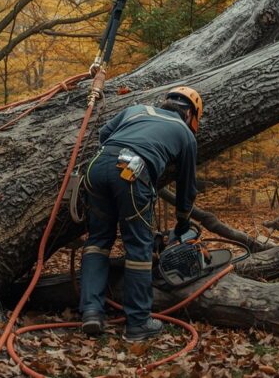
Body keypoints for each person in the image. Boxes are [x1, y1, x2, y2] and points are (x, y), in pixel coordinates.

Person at [79, 86, 202, 342]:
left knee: (97, 242)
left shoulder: (136, 109)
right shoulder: (186, 134)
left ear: (166, 103)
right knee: (138, 248)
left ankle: (91, 311)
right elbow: (186, 188)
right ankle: (137, 324)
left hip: (96, 167)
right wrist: (182, 222)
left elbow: (104, 134)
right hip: (132, 173)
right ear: (190, 113)